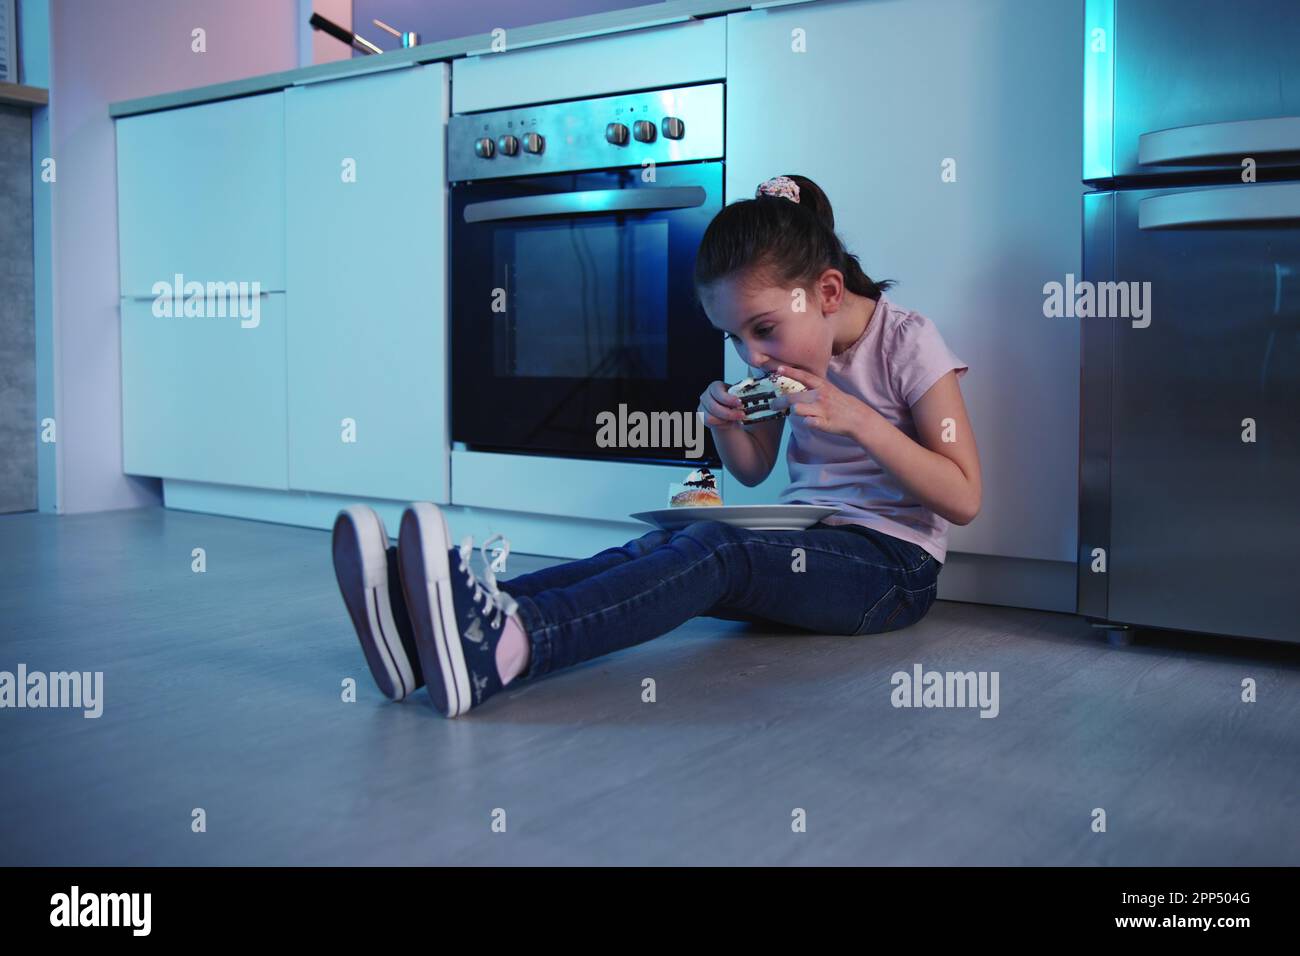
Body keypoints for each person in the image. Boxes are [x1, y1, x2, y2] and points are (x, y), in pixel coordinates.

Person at [331, 174, 981, 718]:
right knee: (670, 542)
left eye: (764, 329)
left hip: (893, 569)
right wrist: (728, 425)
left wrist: (861, 421)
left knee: (717, 550)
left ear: (827, 292)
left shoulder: (908, 343)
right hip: (806, 537)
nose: (752, 356)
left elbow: (964, 496)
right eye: (735, 338)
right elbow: (753, 474)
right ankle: (429, 630)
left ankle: (513, 643)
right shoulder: (785, 359)